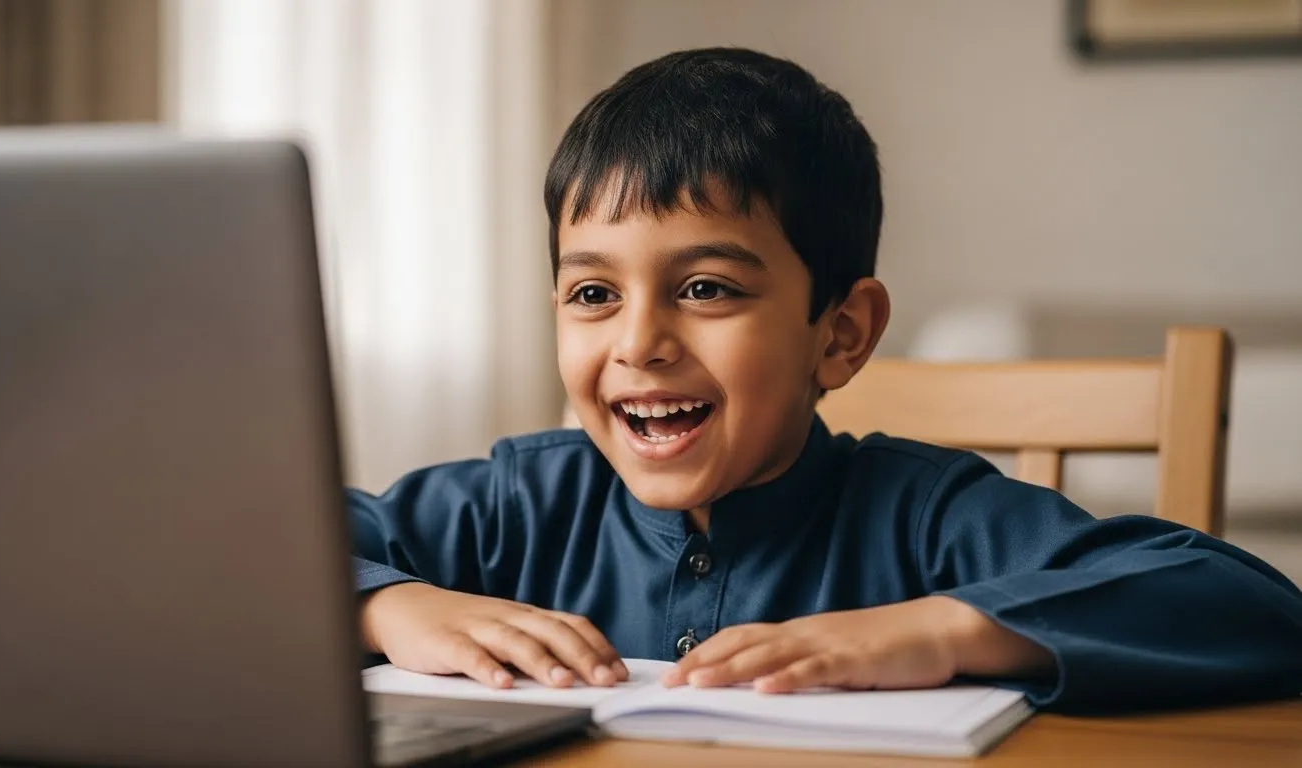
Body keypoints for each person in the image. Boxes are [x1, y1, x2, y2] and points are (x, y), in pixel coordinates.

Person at [349, 47, 1302, 713]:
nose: (639, 342)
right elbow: (286, 553)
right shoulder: (519, 504)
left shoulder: (924, 518)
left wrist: (940, 632)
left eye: (705, 288)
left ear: (840, 334)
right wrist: (391, 607)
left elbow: (1250, 606)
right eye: (593, 293)